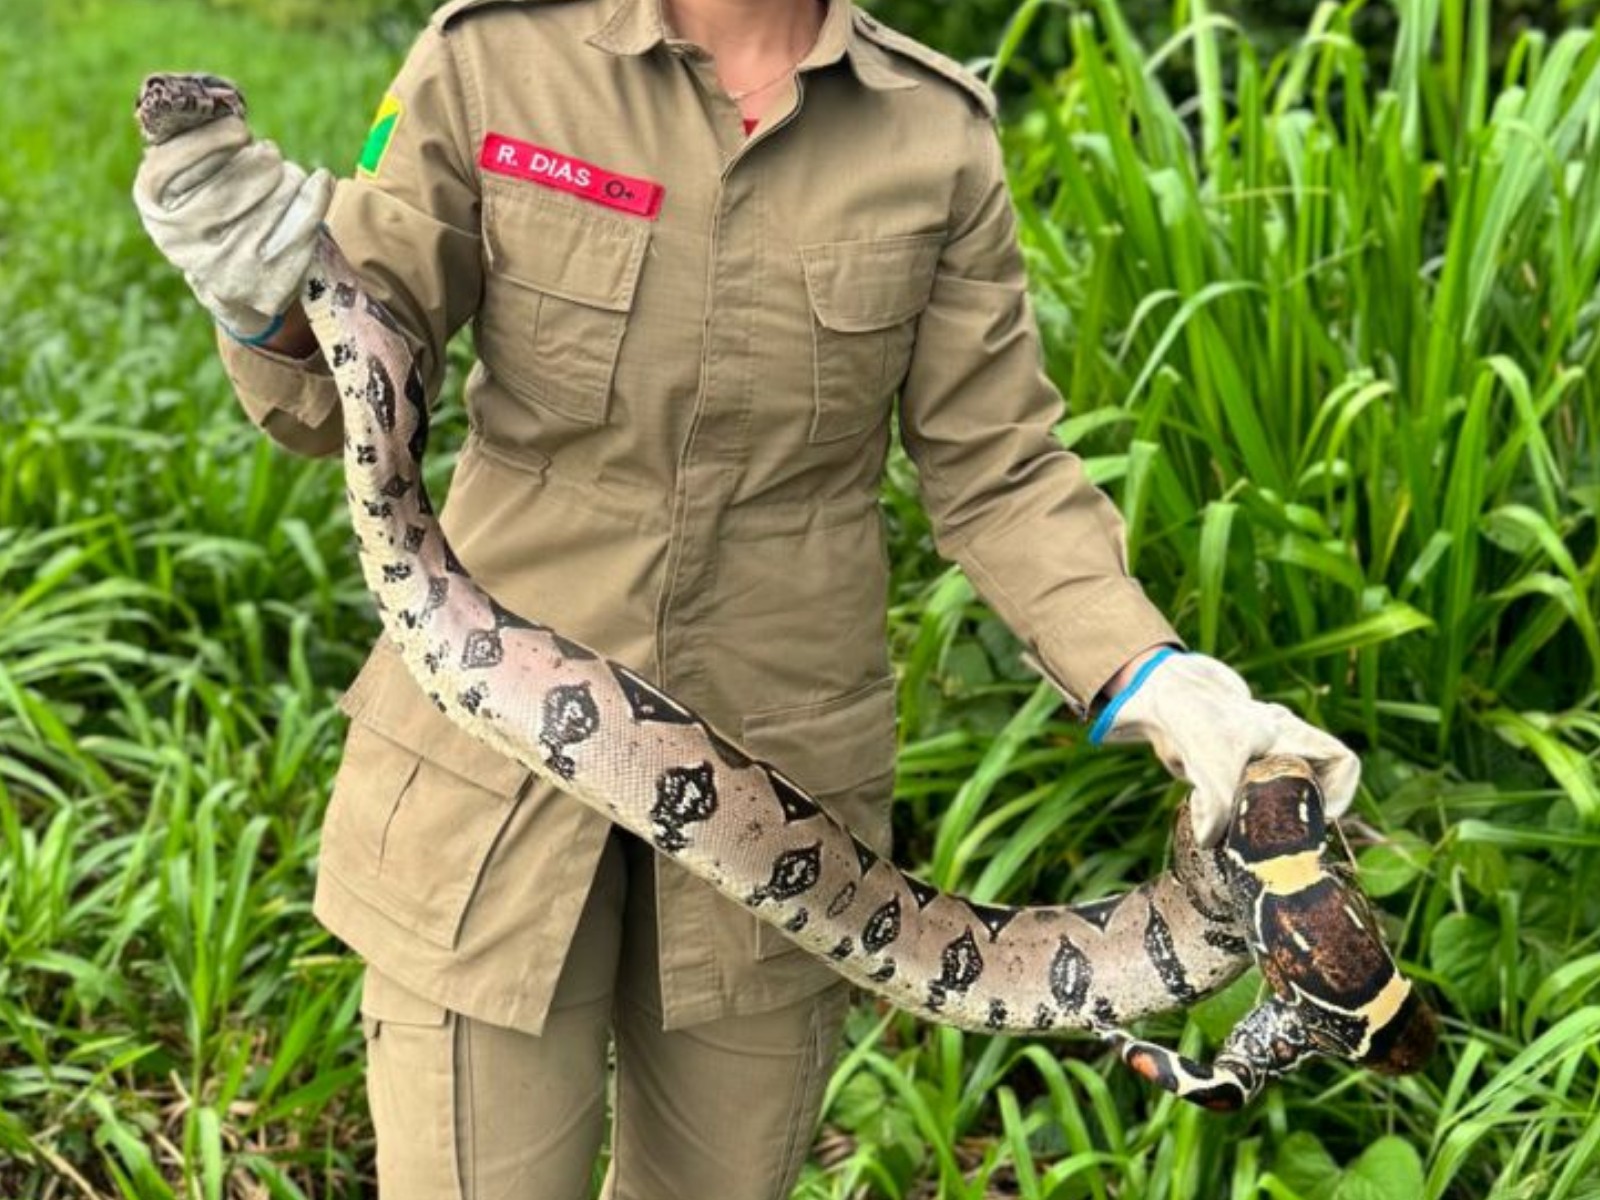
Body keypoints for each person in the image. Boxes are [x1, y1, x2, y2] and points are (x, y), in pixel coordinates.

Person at [134, 0, 1360, 1195]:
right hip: (482, 781)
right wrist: (263, 300)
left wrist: (1163, 682)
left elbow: (998, 471)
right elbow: (348, 384)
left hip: (787, 803)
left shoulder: (934, 133)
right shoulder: (493, 58)